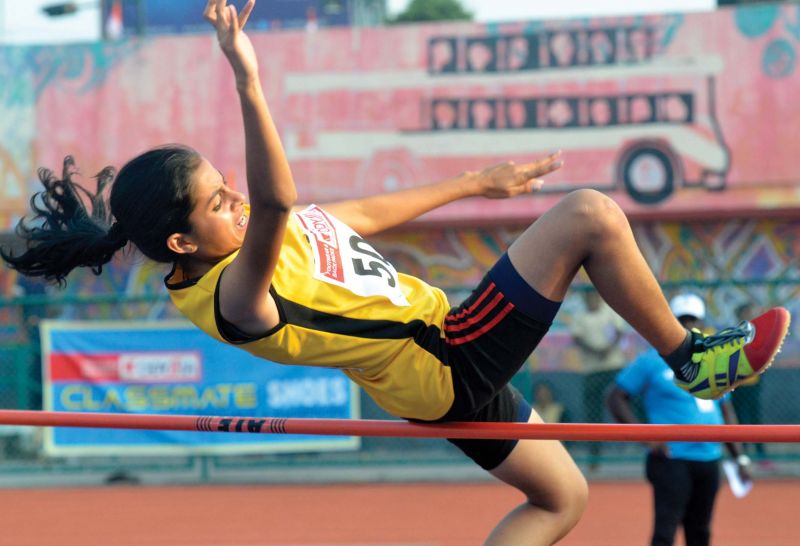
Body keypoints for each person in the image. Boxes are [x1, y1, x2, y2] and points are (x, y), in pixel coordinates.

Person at [0, 1, 790, 544]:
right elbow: (279, 201)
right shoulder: (230, 294)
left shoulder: (252, 239)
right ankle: (693, 359)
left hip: (435, 373)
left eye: (226, 184)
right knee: (589, 215)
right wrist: (247, 79)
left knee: (564, 497)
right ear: (180, 244)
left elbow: (361, 216)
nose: (234, 198)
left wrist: (477, 184)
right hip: (444, 355)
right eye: (216, 199)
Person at [606, 293, 754, 546]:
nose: (688, 327)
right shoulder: (651, 361)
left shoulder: (713, 362)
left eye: (693, 320)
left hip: (710, 458)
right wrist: (648, 440)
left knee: (701, 531)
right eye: (681, 320)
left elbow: (725, 411)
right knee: (665, 531)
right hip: (672, 458)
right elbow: (615, 397)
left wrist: (739, 456)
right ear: (669, 322)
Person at [569, 289, 626, 469]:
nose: (592, 300)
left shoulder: (609, 312)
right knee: (593, 412)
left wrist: (607, 349)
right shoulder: (580, 316)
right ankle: (595, 456)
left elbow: (619, 332)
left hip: (613, 366)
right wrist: (595, 351)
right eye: (588, 297)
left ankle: (636, 444)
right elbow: (577, 338)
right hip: (591, 369)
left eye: (594, 296)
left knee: (624, 404)